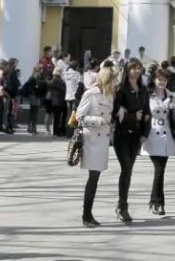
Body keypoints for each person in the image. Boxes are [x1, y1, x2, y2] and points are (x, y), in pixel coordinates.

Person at [77, 63, 117, 228]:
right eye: (113, 80)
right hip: (91, 140)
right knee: (92, 178)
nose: (115, 83)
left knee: (95, 178)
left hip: (102, 141)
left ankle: (88, 213)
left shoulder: (110, 96)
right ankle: (86, 214)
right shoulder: (90, 94)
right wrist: (99, 121)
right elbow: (79, 117)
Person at [112, 59, 149, 223]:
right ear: (127, 70)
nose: (137, 71)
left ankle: (122, 204)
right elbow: (114, 114)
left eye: (139, 68)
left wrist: (145, 132)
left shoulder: (143, 90)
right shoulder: (121, 89)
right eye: (133, 68)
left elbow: (147, 113)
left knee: (129, 170)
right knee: (126, 169)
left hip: (136, 135)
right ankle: (122, 207)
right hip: (121, 135)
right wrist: (134, 116)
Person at [144, 67, 175, 215]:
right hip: (153, 135)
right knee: (159, 170)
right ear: (154, 80)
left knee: (160, 170)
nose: (162, 82)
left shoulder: (171, 95)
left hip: (166, 136)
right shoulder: (148, 96)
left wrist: (174, 109)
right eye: (159, 79)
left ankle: (156, 202)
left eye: (165, 80)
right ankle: (157, 202)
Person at [48, 66, 69, 137]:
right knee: (57, 117)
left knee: (60, 116)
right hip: (57, 101)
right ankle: (56, 131)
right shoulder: (56, 79)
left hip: (60, 100)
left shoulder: (58, 79)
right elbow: (63, 89)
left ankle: (59, 130)